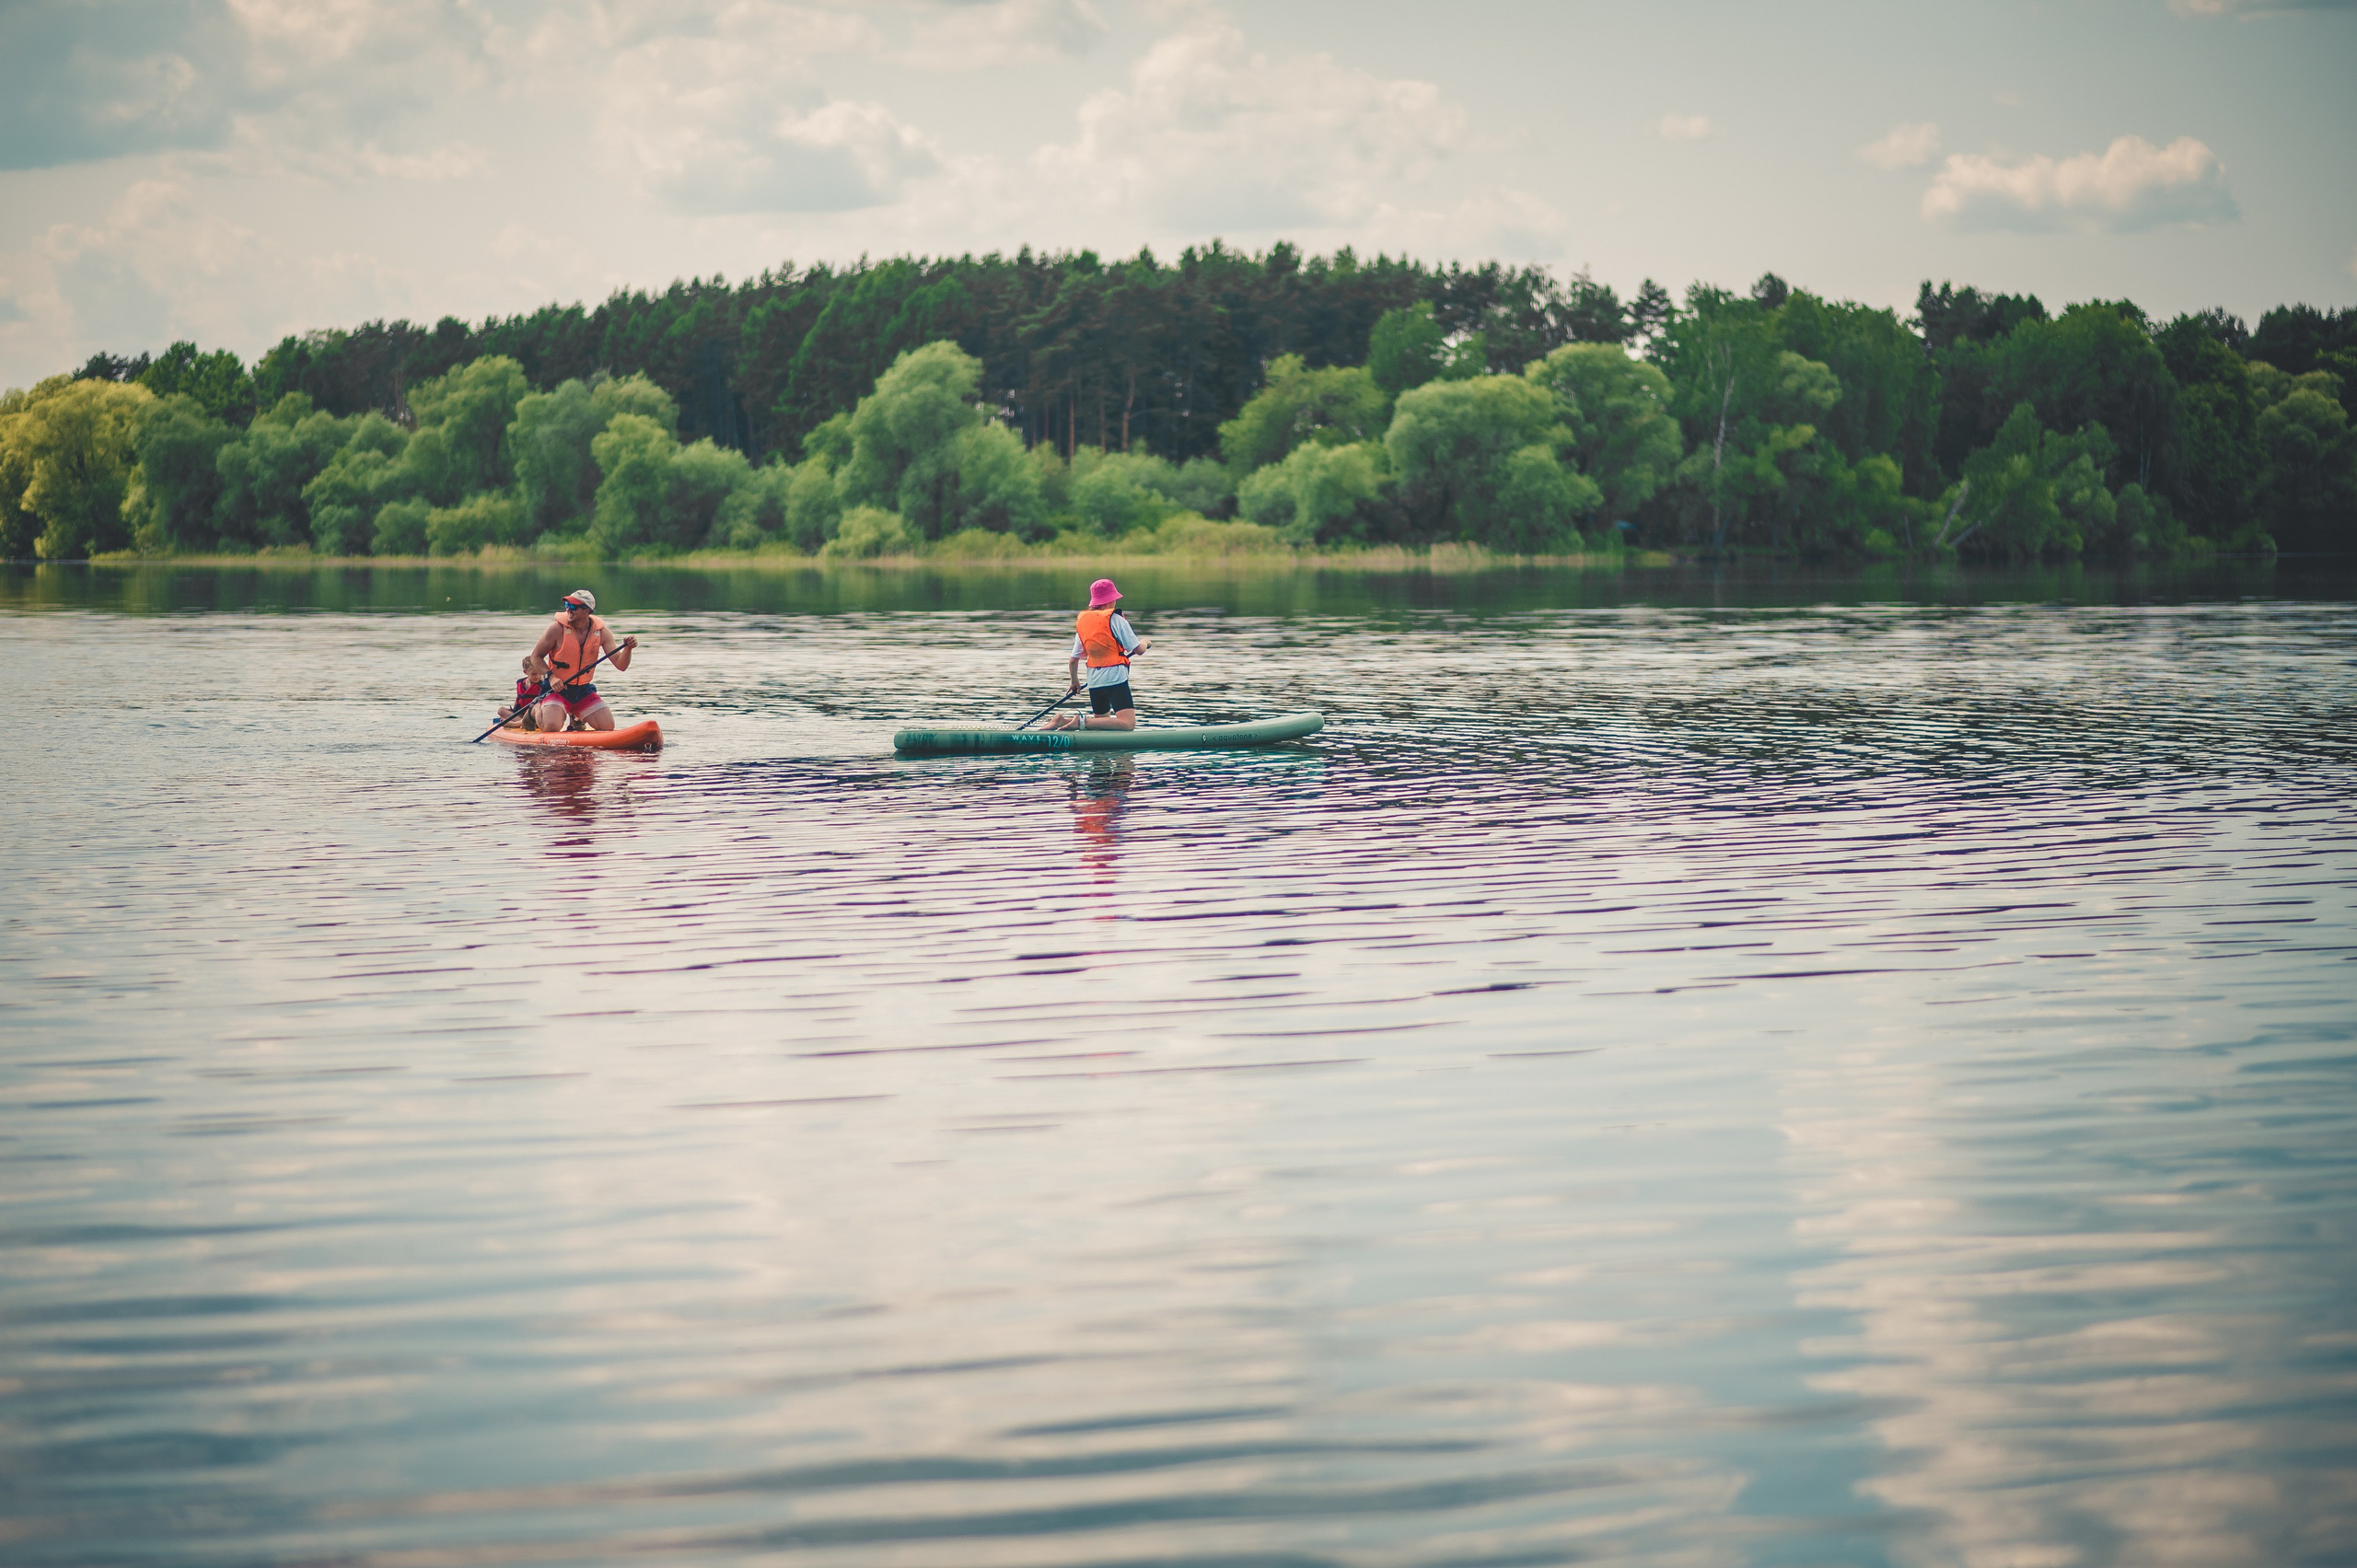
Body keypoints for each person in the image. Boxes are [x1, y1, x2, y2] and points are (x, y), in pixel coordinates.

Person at [519, 589, 637, 733]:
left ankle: (575, 717)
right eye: (567, 604)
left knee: (607, 726)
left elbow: (621, 665)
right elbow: (536, 656)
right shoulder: (556, 629)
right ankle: (534, 710)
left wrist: (628, 649)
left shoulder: (601, 632)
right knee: (551, 727)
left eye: (574, 606)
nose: (569, 609)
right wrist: (551, 677)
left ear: (587, 610)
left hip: (582, 691)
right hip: (557, 689)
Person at [1044, 577, 1151, 732]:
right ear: (1109, 601)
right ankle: (1081, 721)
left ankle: (1062, 720)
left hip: (1094, 680)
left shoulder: (1083, 622)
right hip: (1115, 678)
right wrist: (1146, 642)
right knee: (1128, 724)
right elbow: (1138, 650)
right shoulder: (1115, 619)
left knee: (1102, 726)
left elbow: (1073, 660)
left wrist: (1074, 681)